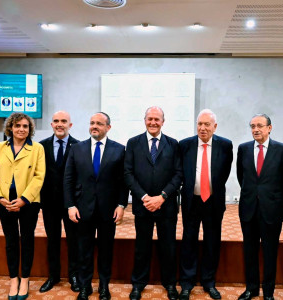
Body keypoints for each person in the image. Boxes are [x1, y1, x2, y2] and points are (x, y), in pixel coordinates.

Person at [64, 112, 128, 300]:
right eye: (92, 123)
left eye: (99, 123)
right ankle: (85, 287)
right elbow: (68, 179)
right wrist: (70, 205)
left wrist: (122, 204)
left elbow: (123, 181)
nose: (94, 126)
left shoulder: (119, 150)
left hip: (109, 210)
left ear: (108, 127)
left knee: (106, 250)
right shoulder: (77, 149)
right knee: (84, 250)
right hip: (82, 209)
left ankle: (103, 287)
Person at [124, 106, 182, 300]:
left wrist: (162, 197)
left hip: (166, 205)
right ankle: (138, 284)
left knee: (169, 247)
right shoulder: (133, 143)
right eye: (150, 119)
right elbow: (128, 173)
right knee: (142, 247)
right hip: (143, 205)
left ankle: (170, 284)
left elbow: (178, 174)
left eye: (157, 119)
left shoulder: (173, 144)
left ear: (163, 122)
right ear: (144, 120)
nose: (153, 122)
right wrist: (144, 197)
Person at [0, 112, 46, 300]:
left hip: (28, 202)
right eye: (18, 126)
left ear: (30, 129)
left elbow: (39, 176)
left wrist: (24, 199)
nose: (21, 129)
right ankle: (14, 279)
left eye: (25, 126)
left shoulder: (37, 149)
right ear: (10, 128)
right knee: (11, 242)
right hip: (5, 202)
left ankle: (25, 279)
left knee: (27, 240)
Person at [236, 114, 283, 300]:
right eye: (252, 126)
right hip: (248, 209)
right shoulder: (243, 149)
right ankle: (251, 289)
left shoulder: (282, 149)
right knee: (249, 252)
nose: (255, 129)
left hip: (272, 210)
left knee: (270, 252)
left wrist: (275, 199)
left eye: (260, 125)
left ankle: (268, 292)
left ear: (270, 128)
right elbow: (241, 176)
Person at [178, 109, 233, 300]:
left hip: (213, 201)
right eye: (199, 124)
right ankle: (187, 283)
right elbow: (181, 172)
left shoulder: (225, 145)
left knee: (212, 241)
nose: (202, 128)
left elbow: (224, 174)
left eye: (207, 124)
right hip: (191, 201)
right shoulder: (185, 145)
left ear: (214, 127)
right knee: (188, 241)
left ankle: (209, 282)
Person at [39, 111, 80, 293]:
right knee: (52, 241)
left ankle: (74, 276)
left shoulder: (79, 147)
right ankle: (53, 276)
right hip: (49, 203)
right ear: (51, 124)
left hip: (72, 205)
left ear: (70, 125)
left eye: (64, 121)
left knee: (74, 241)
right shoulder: (41, 147)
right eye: (56, 121)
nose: (60, 124)